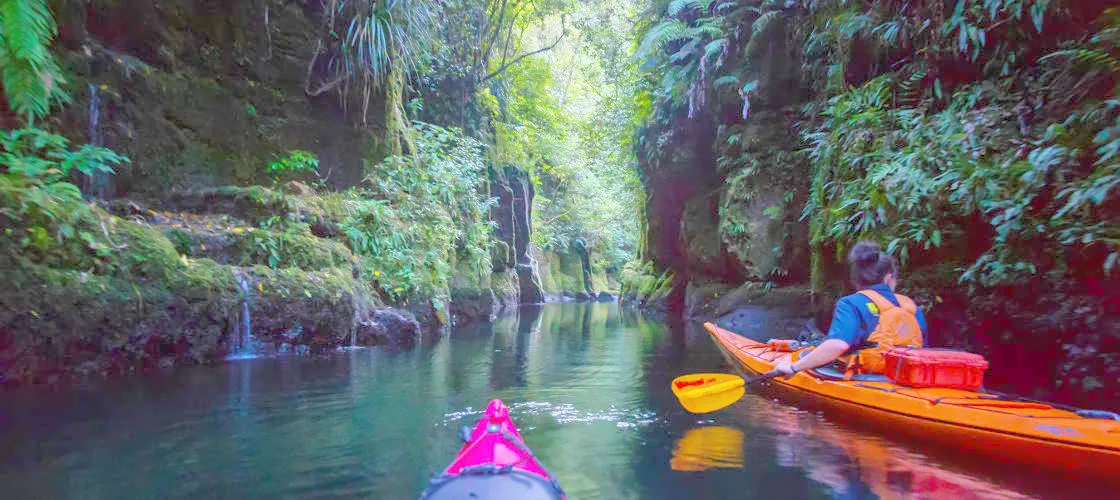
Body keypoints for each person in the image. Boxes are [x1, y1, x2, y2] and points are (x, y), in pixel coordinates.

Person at [776, 241, 927, 376]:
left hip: (867, 375)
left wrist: (794, 367)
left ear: (855, 280)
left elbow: (838, 345)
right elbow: (924, 349)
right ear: (889, 277)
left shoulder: (851, 303)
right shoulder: (911, 307)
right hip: (908, 376)